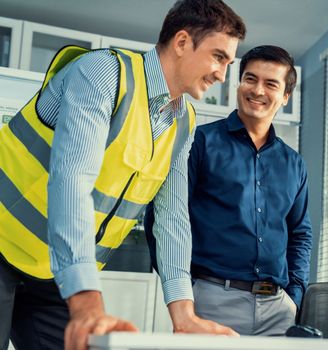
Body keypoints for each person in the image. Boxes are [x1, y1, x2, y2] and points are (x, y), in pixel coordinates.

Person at [0, 0, 246, 349]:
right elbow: (72, 180)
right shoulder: (104, 73)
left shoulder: (183, 122)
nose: (223, 74)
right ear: (181, 42)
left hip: (51, 270)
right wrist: (86, 302)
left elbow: (172, 217)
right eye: (218, 57)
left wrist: (184, 314)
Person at [146, 45, 313, 335]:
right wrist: (187, 290)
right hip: (211, 300)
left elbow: (300, 233)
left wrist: (294, 296)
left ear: (285, 96)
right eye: (250, 78)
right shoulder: (198, 142)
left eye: (271, 83)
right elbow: (163, 216)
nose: (257, 90)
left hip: (278, 309)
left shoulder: (294, 163)